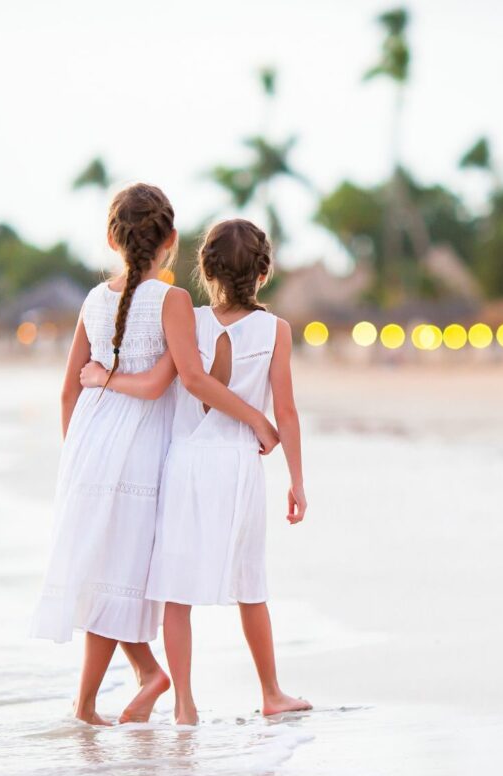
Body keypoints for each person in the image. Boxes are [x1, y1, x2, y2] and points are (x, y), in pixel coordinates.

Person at [32, 186, 279, 726]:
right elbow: (172, 383)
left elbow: (67, 392)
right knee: (123, 571)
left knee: (104, 570)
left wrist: (76, 454)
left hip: (91, 446)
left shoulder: (93, 300)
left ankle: (120, 688)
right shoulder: (171, 301)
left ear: (110, 239)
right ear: (170, 240)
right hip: (143, 450)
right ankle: (116, 690)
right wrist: (256, 418)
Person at [81, 218, 310, 725]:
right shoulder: (276, 331)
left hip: (184, 461)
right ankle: (271, 692)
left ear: (204, 268)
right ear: (264, 271)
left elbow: (175, 381)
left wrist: (103, 379)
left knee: (174, 591)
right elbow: (287, 412)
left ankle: (185, 704)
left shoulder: (187, 318)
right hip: (238, 465)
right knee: (251, 584)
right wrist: (296, 480)